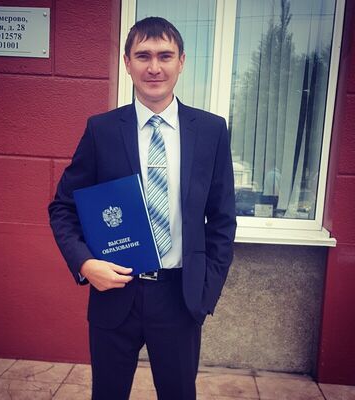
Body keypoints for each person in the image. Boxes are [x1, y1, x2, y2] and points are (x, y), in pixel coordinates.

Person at [49, 16, 236, 400]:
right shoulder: (101, 130)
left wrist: (205, 293)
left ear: (181, 61)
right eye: (143, 56)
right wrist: (85, 264)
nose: (154, 67)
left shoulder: (211, 131)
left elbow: (222, 219)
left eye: (165, 56)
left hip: (179, 297)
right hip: (115, 292)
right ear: (127, 62)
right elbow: (63, 207)